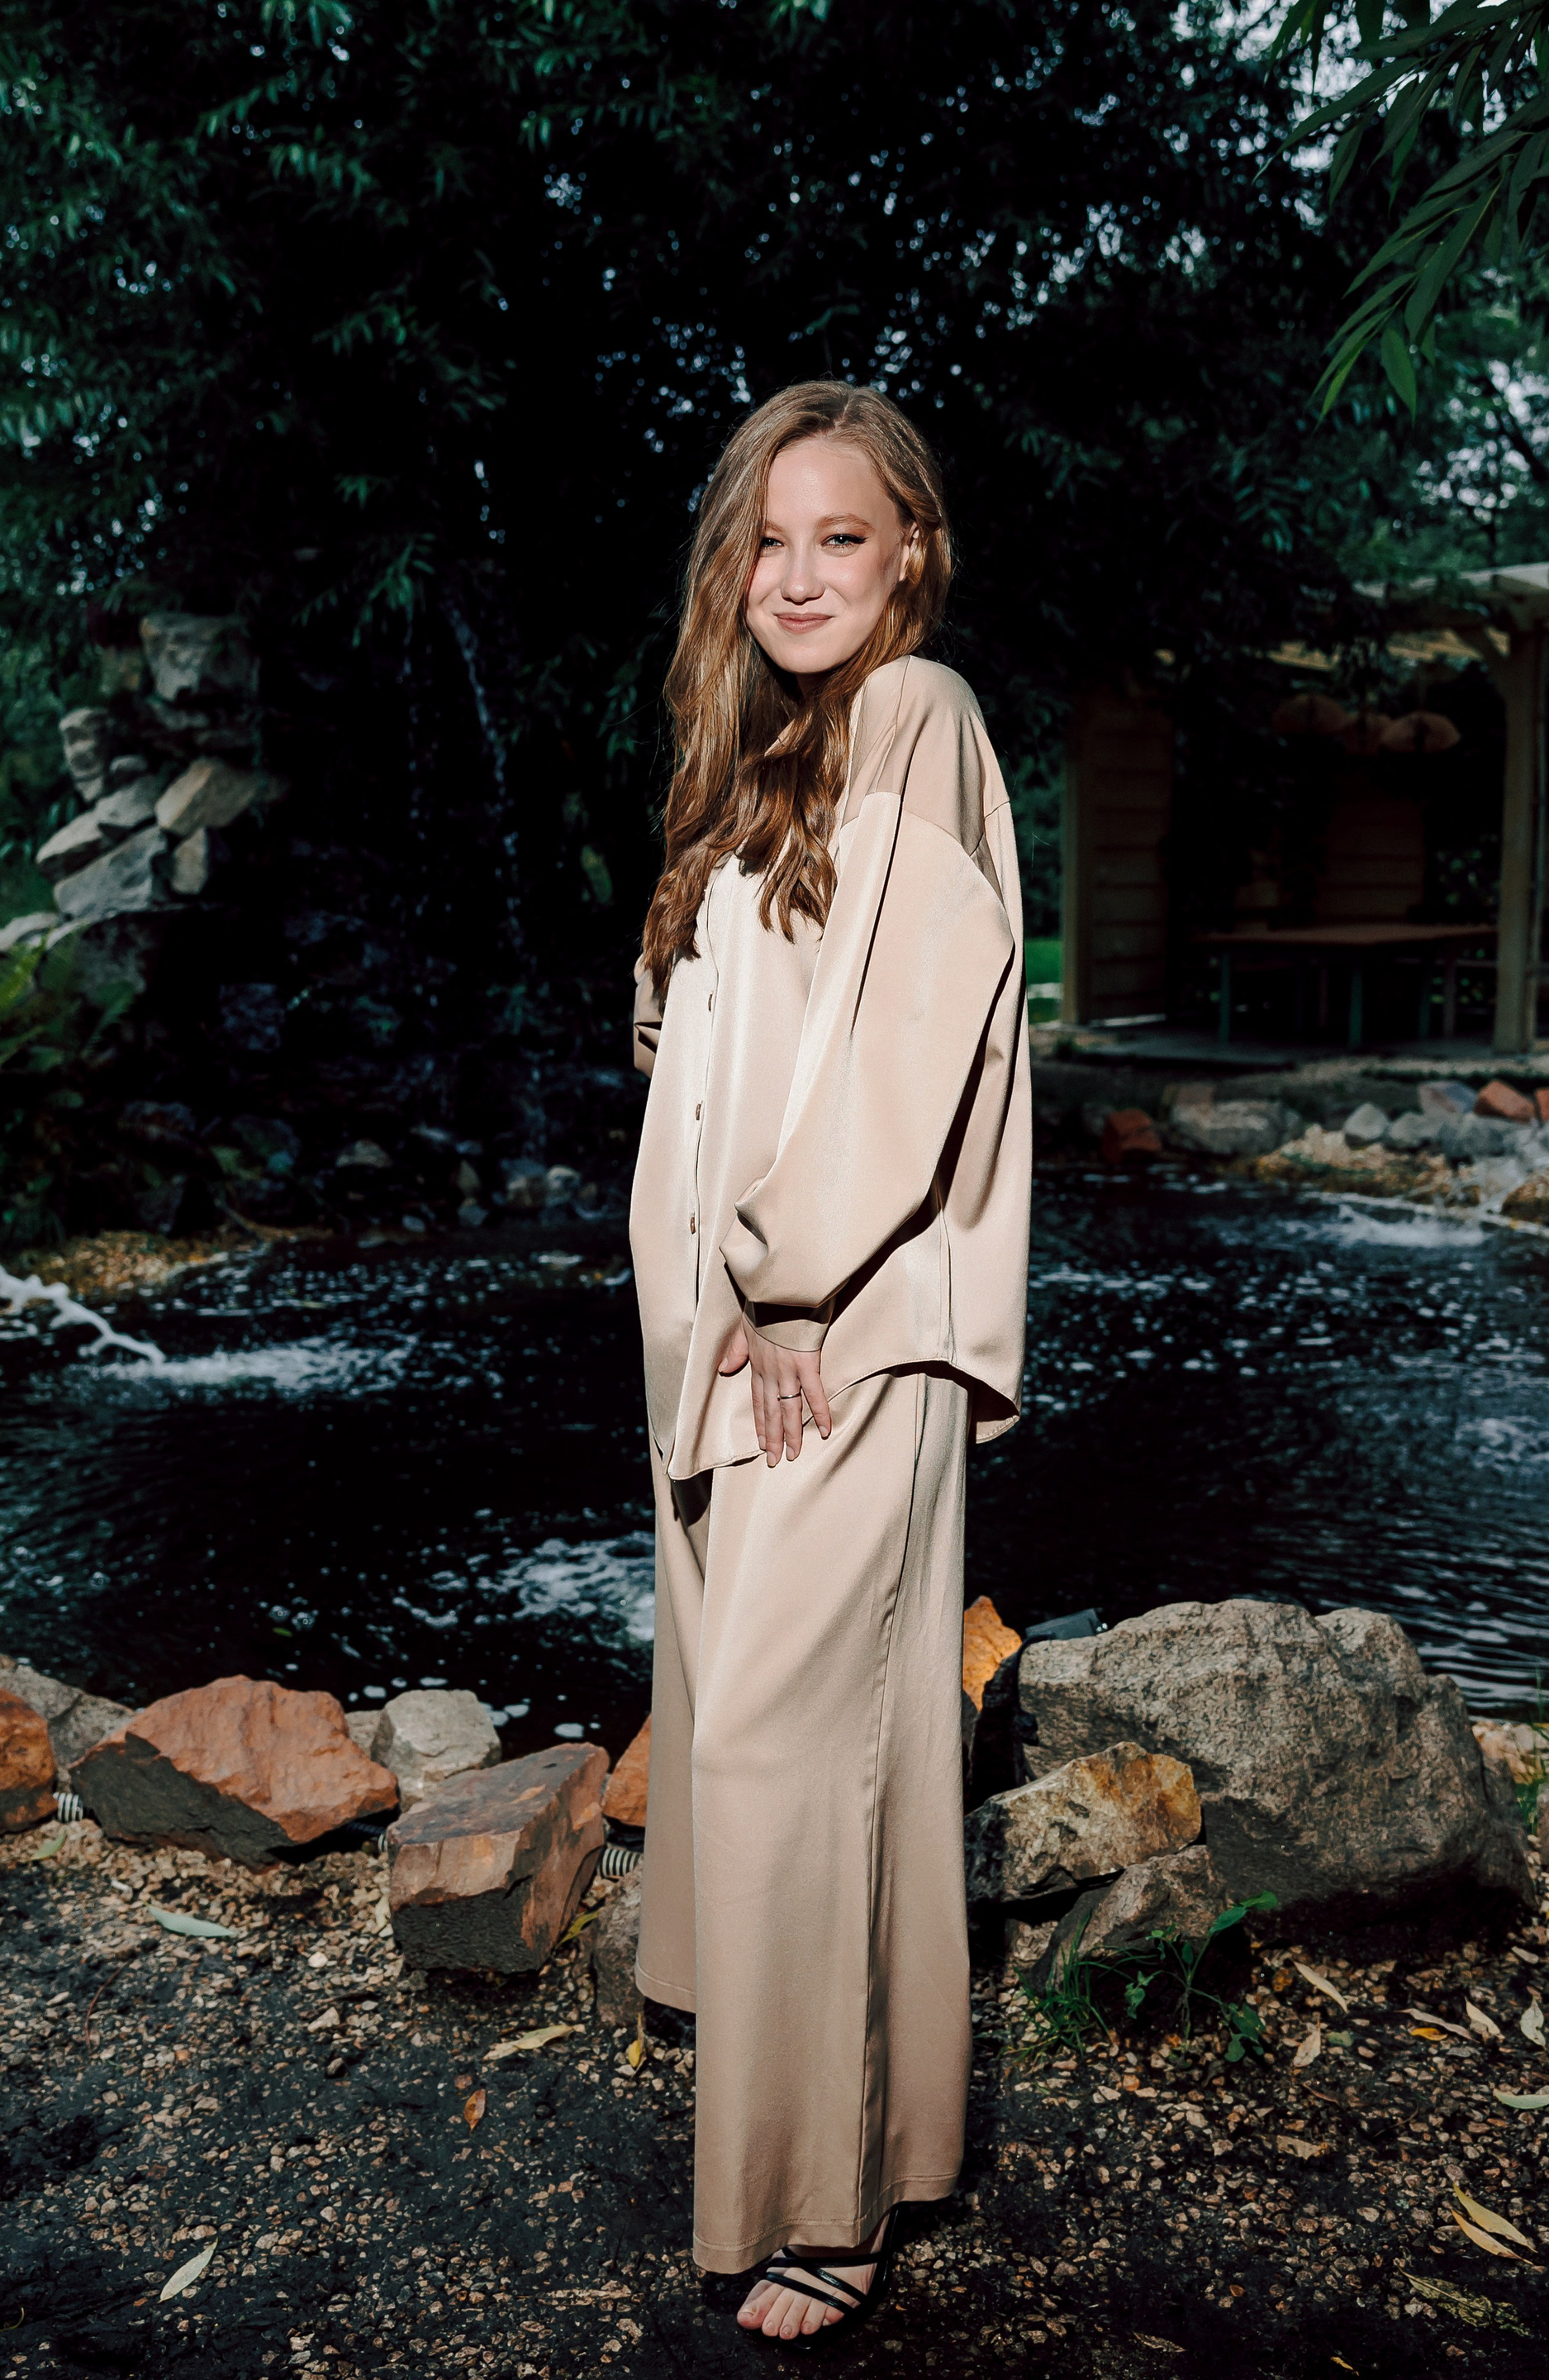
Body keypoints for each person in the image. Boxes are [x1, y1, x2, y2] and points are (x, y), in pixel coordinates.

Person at [627, 379, 1030, 2348]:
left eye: (840, 537)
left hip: (840, 1324)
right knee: (783, 1722)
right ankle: (846, 2112)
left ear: (910, 555)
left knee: (789, 1737)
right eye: (768, 541)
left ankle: (824, 2204)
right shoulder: (767, 757)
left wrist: (785, 1284)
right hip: (729, 1332)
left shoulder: (916, 712)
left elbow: (911, 1035)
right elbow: (698, 1041)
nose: (798, 575)